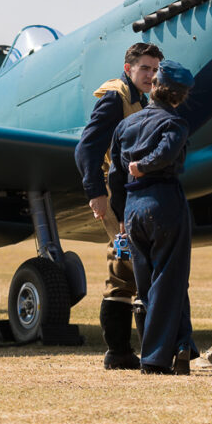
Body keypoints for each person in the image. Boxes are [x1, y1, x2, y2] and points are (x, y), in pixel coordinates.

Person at [74, 42, 164, 370]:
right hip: (118, 197)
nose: (151, 76)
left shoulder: (145, 100)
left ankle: (121, 352)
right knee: (136, 265)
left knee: (124, 270)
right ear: (128, 69)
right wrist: (95, 193)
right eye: (145, 69)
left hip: (136, 195)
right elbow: (86, 149)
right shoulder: (115, 98)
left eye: (155, 70)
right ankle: (145, 353)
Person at [108, 60, 197, 375]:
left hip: (133, 208)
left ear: (155, 86)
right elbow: (167, 152)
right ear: (180, 95)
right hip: (164, 202)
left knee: (147, 285)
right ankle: (156, 359)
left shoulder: (126, 125)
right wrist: (144, 165)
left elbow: (114, 176)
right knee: (170, 281)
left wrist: (120, 214)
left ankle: (183, 345)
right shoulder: (176, 124)